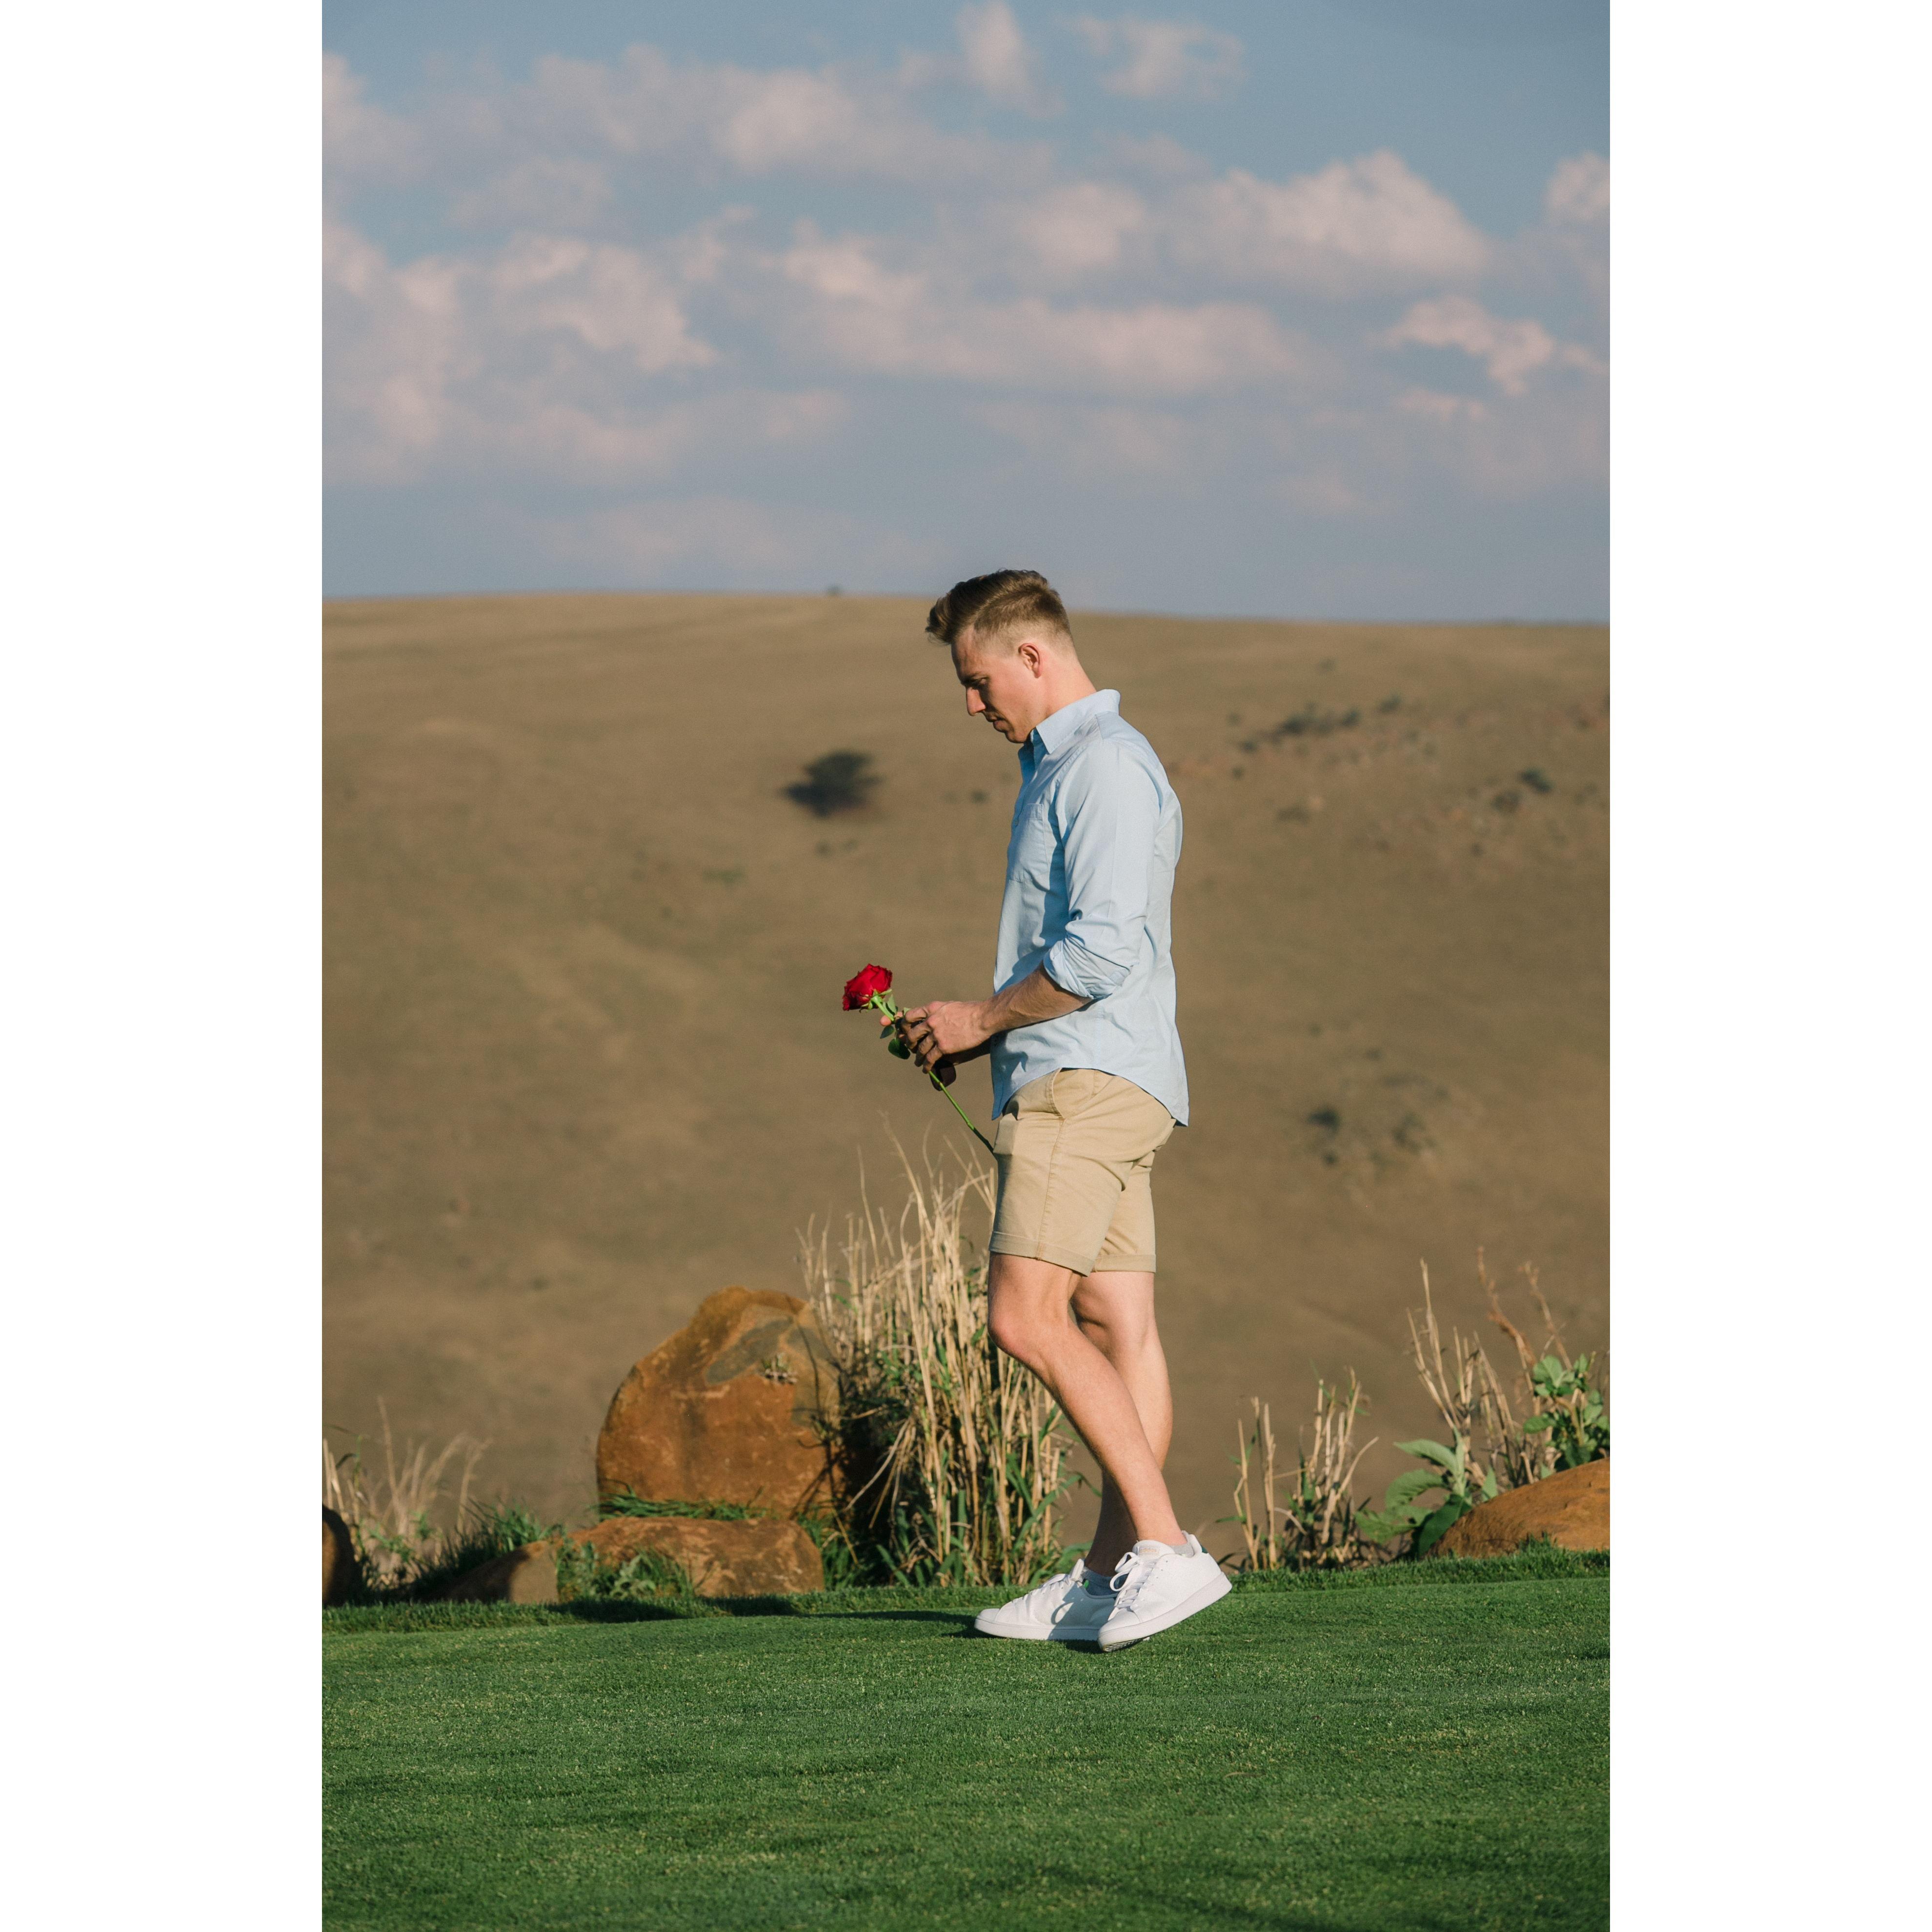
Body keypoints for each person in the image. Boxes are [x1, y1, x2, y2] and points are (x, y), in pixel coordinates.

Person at [896, 569, 1230, 1651]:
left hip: (1083, 1080)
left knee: (1023, 1317)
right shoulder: (1066, 768)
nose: (971, 704)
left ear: (1032, 657)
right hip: (1105, 1075)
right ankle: (1105, 1576)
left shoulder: (1103, 767)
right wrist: (981, 1029)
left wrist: (983, 1019)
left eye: (978, 679)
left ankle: (1166, 1553)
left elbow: (1098, 953)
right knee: (1114, 1325)